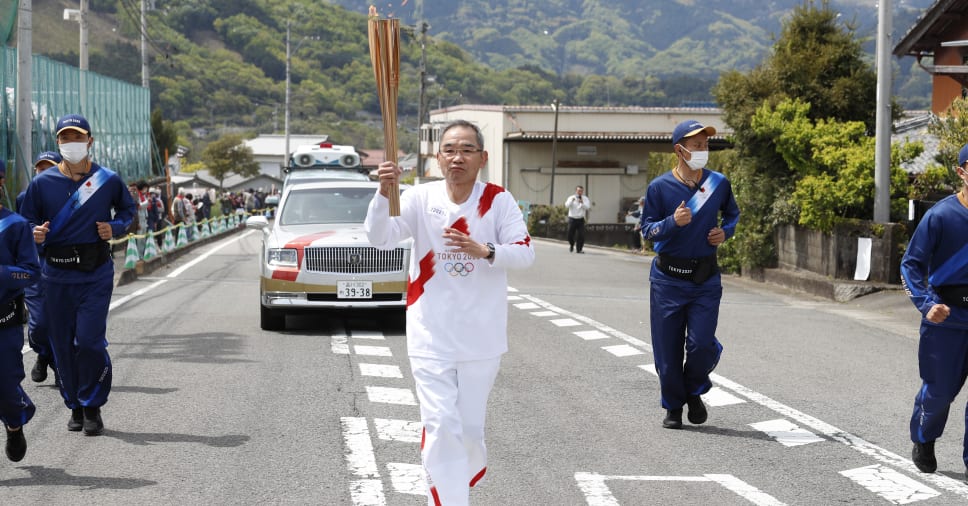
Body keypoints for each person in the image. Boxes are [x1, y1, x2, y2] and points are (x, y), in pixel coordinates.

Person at [364, 119, 535, 506]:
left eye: (467, 150)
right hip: (431, 335)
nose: (457, 157)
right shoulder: (419, 199)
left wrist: (487, 250)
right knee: (441, 426)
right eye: (450, 150)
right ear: (437, 158)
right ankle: (447, 500)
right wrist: (382, 193)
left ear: (482, 157)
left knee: (469, 432)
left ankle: (457, 480)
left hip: (481, 339)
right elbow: (378, 238)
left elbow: (525, 252)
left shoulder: (497, 200)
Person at [19, 113, 137, 436]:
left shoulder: (108, 180)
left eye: (77, 137)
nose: (71, 143)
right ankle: (75, 404)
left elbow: (129, 211)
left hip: (95, 272)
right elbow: (23, 222)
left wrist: (113, 227)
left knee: (89, 341)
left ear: (90, 141)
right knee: (62, 344)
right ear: (57, 143)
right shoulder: (42, 184)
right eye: (65, 138)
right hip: (56, 275)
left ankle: (93, 405)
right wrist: (34, 232)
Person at [640, 119, 740, 429]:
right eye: (696, 145)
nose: (702, 150)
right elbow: (647, 231)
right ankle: (674, 406)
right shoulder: (659, 187)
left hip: (705, 279)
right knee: (667, 352)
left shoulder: (718, 183)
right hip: (668, 280)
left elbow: (732, 215)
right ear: (679, 150)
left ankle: (694, 388)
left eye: (705, 145)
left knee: (701, 344)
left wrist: (725, 232)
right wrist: (673, 221)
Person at [902, 143, 968, 478]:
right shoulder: (941, 216)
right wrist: (926, 305)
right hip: (946, 318)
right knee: (939, 394)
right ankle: (924, 439)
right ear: (961, 171)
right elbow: (910, 265)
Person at [0, 159, 41, 462]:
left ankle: (15, 423)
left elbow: (30, 272)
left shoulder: (14, 225)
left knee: (4, 386)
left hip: (4, 320)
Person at [17, 151, 61, 385]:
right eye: (39, 169)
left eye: (49, 169)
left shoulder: (69, 197)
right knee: (39, 325)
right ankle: (44, 355)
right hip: (34, 268)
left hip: (64, 267)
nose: (42, 173)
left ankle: (57, 363)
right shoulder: (24, 198)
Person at [564, 186, 589, 253]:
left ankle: (579, 249)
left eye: (581, 191)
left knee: (581, 235)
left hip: (580, 219)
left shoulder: (585, 198)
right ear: (576, 191)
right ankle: (572, 244)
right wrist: (571, 201)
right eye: (578, 191)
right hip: (572, 219)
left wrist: (582, 203)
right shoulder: (571, 197)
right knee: (570, 234)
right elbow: (566, 205)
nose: (580, 192)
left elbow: (587, 207)